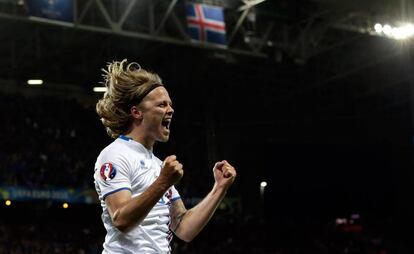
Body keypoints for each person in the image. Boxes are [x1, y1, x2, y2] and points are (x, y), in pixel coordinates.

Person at [93, 59, 237, 253]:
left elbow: (184, 228)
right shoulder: (114, 154)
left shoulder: (158, 165)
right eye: (162, 105)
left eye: (170, 104)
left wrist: (219, 188)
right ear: (137, 112)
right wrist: (162, 182)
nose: (171, 109)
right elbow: (121, 219)